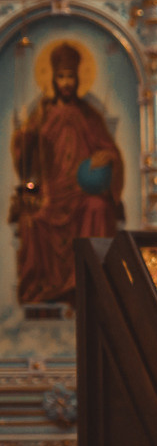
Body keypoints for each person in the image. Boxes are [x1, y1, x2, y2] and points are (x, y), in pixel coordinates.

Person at [11, 40, 124, 307]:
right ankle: (40, 292)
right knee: (32, 221)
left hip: (82, 193)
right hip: (52, 192)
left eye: (70, 77)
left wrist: (107, 157)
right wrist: (25, 138)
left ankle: (88, 285)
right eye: (61, 77)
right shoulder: (42, 114)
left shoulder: (90, 116)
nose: (66, 83)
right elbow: (23, 154)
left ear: (77, 79)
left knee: (97, 207)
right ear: (53, 78)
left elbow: (110, 151)